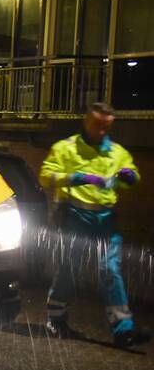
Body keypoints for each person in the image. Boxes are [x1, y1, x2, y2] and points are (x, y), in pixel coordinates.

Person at [39, 102, 149, 349]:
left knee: (110, 270)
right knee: (69, 268)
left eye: (106, 127)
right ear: (86, 121)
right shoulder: (66, 149)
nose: (101, 131)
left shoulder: (116, 152)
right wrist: (78, 178)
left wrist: (130, 177)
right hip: (74, 216)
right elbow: (46, 175)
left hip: (106, 219)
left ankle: (123, 330)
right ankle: (56, 319)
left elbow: (131, 174)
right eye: (97, 125)